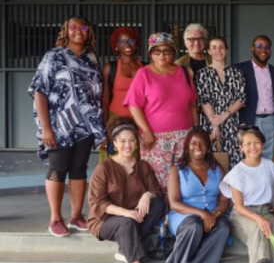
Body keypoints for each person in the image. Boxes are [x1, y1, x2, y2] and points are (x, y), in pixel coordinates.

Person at [29, 16, 106, 236]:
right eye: (73, 27)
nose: (78, 31)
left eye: (83, 27)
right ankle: (55, 218)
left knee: (79, 169)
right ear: (66, 30)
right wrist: (46, 128)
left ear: (88, 31)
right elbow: (39, 91)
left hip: (85, 126)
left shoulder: (91, 59)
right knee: (58, 169)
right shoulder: (54, 56)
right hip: (59, 125)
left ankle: (76, 216)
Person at [87, 118, 166, 263]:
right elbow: (96, 203)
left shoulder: (143, 166)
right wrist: (126, 212)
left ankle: (126, 247)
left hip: (133, 217)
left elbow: (156, 191)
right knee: (126, 222)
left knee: (158, 204)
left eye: (131, 140)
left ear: (137, 143)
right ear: (115, 143)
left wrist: (147, 194)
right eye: (122, 141)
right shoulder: (104, 168)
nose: (127, 145)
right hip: (106, 219)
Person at [220, 127, 274, 263]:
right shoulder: (237, 172)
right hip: (243, 215)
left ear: (263, 145)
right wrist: (258, 218)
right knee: (259, 229)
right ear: (241, 147)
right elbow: (239, 206)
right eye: (248, 144)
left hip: (266, 210)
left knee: (273, 227)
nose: (253, 147)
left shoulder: (269, 166)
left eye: (256, 143)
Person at [125, 32, 198, 194]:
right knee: (158, 179)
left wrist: (196, 130)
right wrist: (147, 132)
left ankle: (179, 213)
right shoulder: (143, 74)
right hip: (156, 137)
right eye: (157, 51)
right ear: (150, 53)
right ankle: (160, 215)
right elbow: (134, 106)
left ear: (173, 52)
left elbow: (192, 104)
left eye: (167, 51)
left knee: (184, 176)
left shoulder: (184, 73)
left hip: (185, 134)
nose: (162, 55)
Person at [164, 127, 231, 263]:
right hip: (183, 215)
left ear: (208, 147)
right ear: (187, 147)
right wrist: (203, 214)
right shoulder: (177, 170)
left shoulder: (217, 169)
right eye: (193, 143)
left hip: (212, 215)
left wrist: (214, 215)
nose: (198, 147)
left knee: (224, 226)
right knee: (194, 225)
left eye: (202, 143)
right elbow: (174, 203)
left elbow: (224, 199)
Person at [236, 35, 274, 162]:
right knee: (249, 157)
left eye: (267, 47)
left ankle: (266, 182)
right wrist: (241, 122)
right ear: (252, 48)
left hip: (271, 120)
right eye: (259, 45)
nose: (263, 49)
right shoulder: (240, 69)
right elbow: (235, 97)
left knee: (268, 157)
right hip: (250, 121)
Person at [196, 37, 246, 166]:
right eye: (214, 47)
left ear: (227, 50)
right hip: (210, 124)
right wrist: (215, 124)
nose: (218, 50)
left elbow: (241, 98)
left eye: (221, 47)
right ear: (208, 51)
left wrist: (225, 115)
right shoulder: (202, 74)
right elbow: (204, 99)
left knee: (233, 161)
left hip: (231, 124)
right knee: (210, 161)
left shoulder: (236, 73)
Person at [100, 26, 143, 162]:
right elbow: (105, 101)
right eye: (122, 42)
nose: (127, 45)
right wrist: (104, 130)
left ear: (136, 44)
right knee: (115, 161)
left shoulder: (146, 67)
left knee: (136, 162)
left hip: (140, 121)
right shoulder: (110, 68)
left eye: (131, 41)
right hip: (115, 119)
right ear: (116, 46)